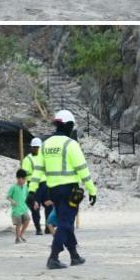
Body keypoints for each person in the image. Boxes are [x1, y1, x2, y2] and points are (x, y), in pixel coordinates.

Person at [38, 109, 98, 270]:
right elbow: (82, 170)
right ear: (68, 126)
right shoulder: (71, 144)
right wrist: (92, 190)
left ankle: (74, 256)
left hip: (53, 191)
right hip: (70, 190)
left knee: (66, 221)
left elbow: (39, 169)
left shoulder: (46, 144)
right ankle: (53, 256)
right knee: (65, 222)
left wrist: (32, 191)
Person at [21, 136, 50, 235]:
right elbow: (24, 174)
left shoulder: (44, 158)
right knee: (35, 208)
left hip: (45, 185)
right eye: (35, 147)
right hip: (33, 186)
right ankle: (38, 228)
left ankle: (48, 227)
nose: (36, 149)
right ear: (31, 147)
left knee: (49, 206)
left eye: (38, 147)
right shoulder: (27, 159)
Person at [7, 169, 30, 244]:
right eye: (23, 179)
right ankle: (17, 238)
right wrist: (12, 201)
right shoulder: (13, 187)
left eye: (25, 179)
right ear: (18, 178)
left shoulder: (25, 187)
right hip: (16, 210)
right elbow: (8, 197)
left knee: (27, 220)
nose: (24, 181)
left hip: (24, 209)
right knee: (18, 224)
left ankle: (21, 235)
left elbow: (28, 196)